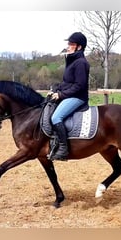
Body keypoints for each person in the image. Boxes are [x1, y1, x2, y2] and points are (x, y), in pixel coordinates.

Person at [48, 32, 90, 161]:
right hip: (70, 94)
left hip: (78, 97)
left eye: (71, 44)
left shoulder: (81, 63)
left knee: (56, 117)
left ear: (79, 47)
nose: (68, 46)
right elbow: (67, 82)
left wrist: (60, 95)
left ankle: (63, 149)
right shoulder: (72, 61)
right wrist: (55, 89)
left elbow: (79, 85)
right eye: (68, 44)